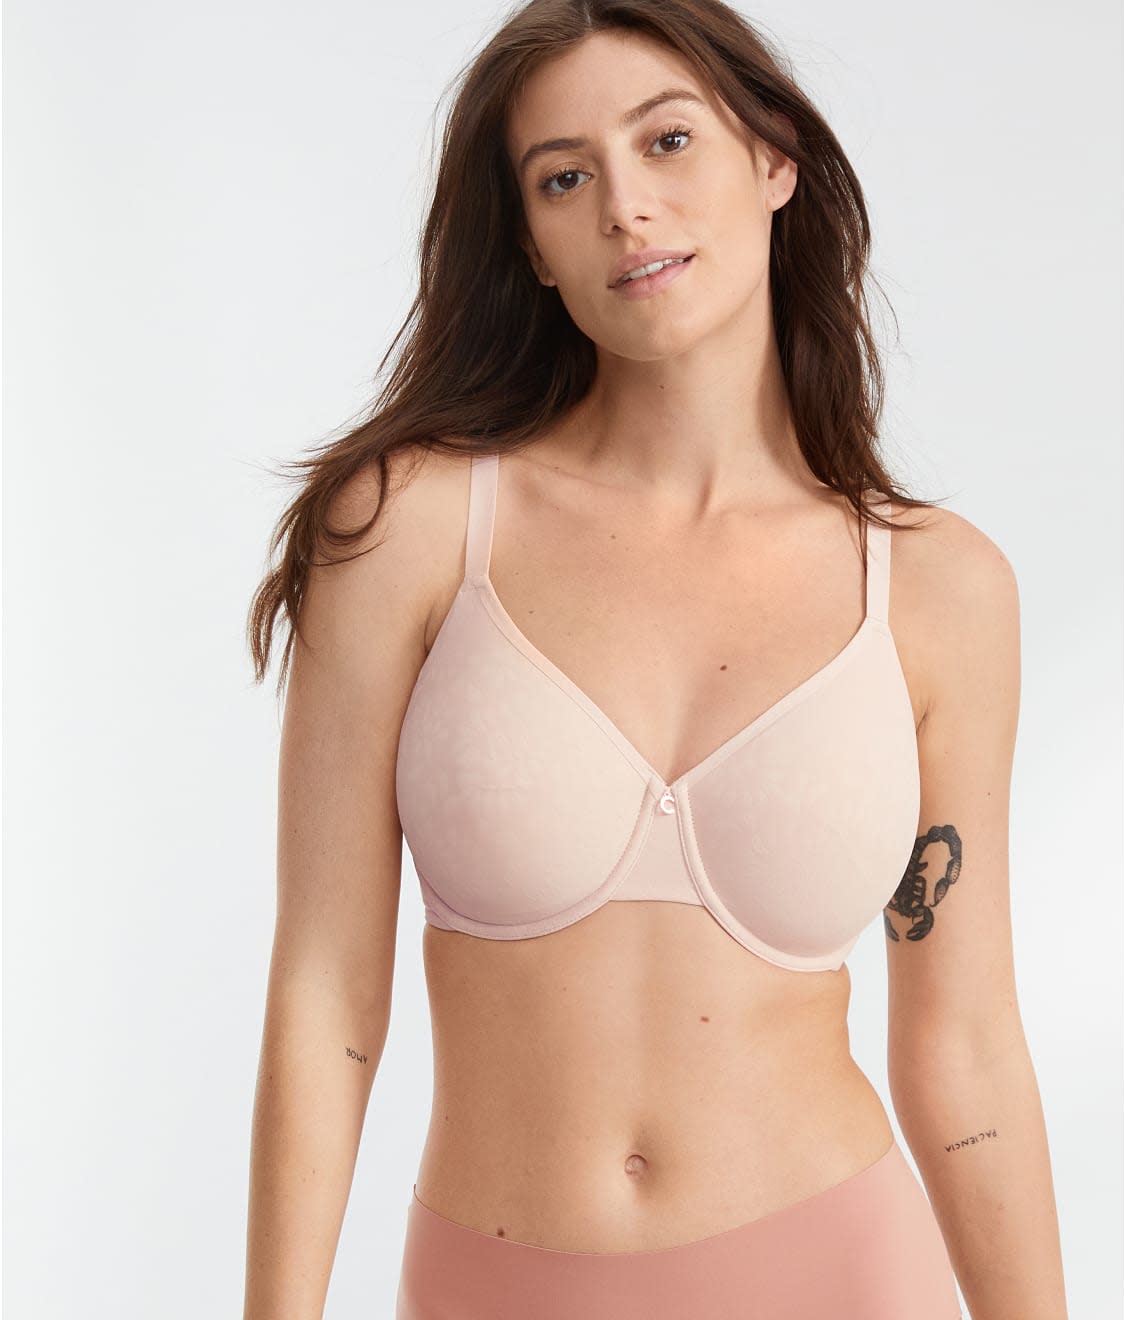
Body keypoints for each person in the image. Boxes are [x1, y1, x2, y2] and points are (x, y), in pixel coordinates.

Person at [242, 2, 1069, 1318]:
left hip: (843, 1272)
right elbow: (324, 998)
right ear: (530, 242)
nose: (626, 206)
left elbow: (961, 1047)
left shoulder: (935, 587)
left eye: (667, 140)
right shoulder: (407, 530)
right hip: (497, 1284)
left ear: (774, 157)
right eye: (563, 177)